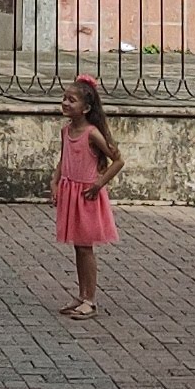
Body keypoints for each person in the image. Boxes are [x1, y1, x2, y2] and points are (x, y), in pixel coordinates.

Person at [55, 74, 122, 319]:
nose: (65, 103)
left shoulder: (92, 133)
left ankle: (90, 299)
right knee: (78, 247)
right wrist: (55, 182)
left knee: (86, 248)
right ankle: (82, 295)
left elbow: (118, 160)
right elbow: (63, 160)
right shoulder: (66, 131)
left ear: (86, 108)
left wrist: (98, 184)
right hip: (70, 191)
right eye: (64, 98)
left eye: (71, 100)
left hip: (86, 195)